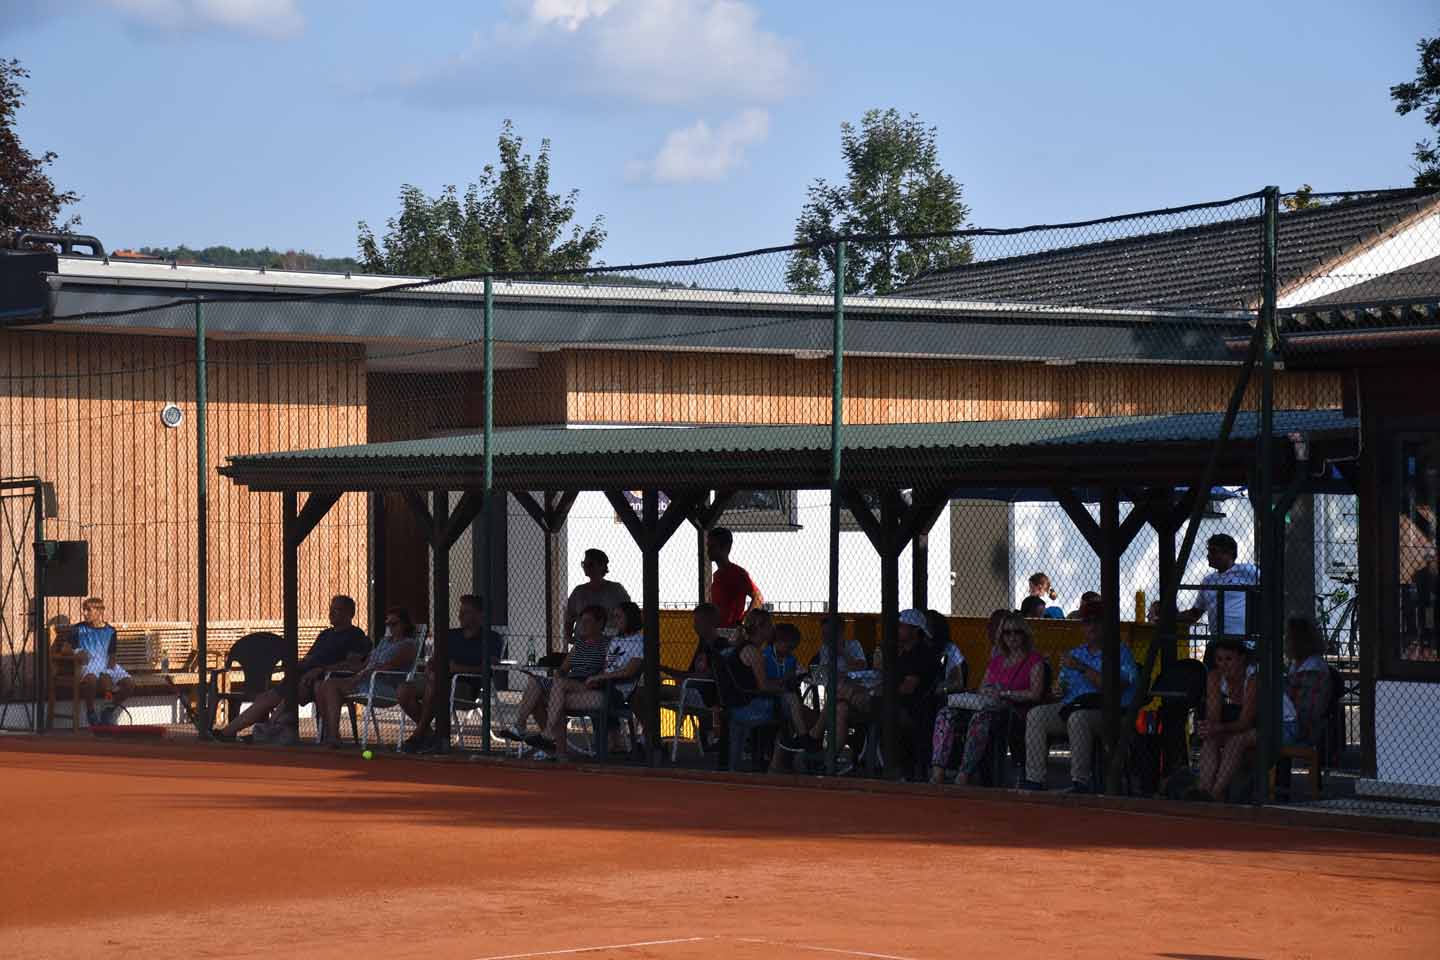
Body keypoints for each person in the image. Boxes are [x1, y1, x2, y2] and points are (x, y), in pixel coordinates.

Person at [213, 594, 370, 743]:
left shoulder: (355, 635)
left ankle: (267, 729)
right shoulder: (325, 634)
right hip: (302, 676)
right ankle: (227, 733)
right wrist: (298, 665)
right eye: (331, 608)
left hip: (323, 680)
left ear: (350, 614)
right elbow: (309, 658)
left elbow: (352, 665)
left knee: (291, 693)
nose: (332, 613)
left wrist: (322, 669)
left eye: (337, 609)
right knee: (265, 698)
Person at [1021, 601, 1137, 792]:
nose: (1092, 627)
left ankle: (1080, 782)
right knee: (1036, 715)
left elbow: (1113, 686)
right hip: (1072, 707)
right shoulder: (1076, 653)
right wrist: (1057, 690)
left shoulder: (1119, 652)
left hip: (1108, 713)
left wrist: (1082, 667)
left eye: (1097, 621)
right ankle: (1034, 779)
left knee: (1078, 718)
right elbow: (1061, 686)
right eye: (1087, 622)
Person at [396, 594, 502, 754]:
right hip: (437, 680)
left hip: (466, 687)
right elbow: (433, 660)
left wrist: (458, 668)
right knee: (403, 690)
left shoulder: (492, 638)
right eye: (460, 611)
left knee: (434, 686)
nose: (460, 615)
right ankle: (429, 735)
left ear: (480, 615)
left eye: (466, 612)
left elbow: (490, 668)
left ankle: (417, 736)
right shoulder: (451, 635)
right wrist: (430, 669)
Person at [497, 604, 608, 751]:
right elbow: (563, 669)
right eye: (581, 621)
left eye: (588, 621)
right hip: (569, 683)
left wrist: (596, 679)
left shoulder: (607, 644)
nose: (583, 625)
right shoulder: (580, 644)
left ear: (599, 623)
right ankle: (520, 725)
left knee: (555, 690)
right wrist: (558, 674)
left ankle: (549, 735)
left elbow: (608, 669)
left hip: (588, 685)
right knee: (535, 681)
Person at [544, 601, 646, 761]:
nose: (615, 621)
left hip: (617, 692)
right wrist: (600, 677)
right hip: (601, 686)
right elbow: (607, 667)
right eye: (614, 617)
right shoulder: (616, 640)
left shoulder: (639, 641)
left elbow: (629, 671)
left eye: (619, 617)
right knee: (557, 697)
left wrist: (601, 677)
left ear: (630, 618)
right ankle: (558, 748)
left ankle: (550, 737)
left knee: (557, 696)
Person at [315, 607, 419, 748]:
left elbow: (389, 666)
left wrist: (362, 674)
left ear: (405, 624)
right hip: (367, 681)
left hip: (386, 686)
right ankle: (331, 734)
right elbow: (365, 664)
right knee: (322, 685)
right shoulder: (384, 642)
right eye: (388, 624)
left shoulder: (408, 645)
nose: (390, 628)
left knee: (331, 686)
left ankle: (332, 736)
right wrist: (335, 667)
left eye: (394, 624)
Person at [633, 602, 725, 753]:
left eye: (698, 621)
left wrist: (681, 679)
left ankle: (651, 738)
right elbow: (688, 674)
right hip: (689, 690)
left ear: (711, 622)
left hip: (703, 696)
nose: (695, 626)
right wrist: (664, 669)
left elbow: (708, 676)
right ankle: (649, 736)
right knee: (641, 693)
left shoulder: (720, 645)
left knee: (643, 693)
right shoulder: (702, 645)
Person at [928, 608, 1007, 783]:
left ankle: (964, 772)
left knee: (980, 719)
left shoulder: (1023, 657)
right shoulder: (995, 653)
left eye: (999, 628)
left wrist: (999, 693)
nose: (992, 631)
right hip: (985, 700)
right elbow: (985, 684)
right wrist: (978, 692)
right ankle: (938, 770)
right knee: (945, 713)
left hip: (1003, 705)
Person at [1187, 636, 1256, 802]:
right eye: (1219, 659)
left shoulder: (1253, 678)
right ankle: (1203, 790)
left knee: (1235, 741)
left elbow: (1246, 722)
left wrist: (1218, 728)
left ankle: (1216, 793)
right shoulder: (1215, 677)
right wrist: (1209, 727)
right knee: (1211, 739)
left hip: (1275, 726)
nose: (1224, 664)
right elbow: (1213, 716)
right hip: (1240, 727)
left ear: (1242, 658)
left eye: (1229, 659)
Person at [58, 597, 134, 726]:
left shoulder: (111, 631)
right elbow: (65, 648)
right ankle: (91, 712)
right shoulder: (78, 629)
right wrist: (77, 652)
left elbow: (112, 655)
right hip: (88, 665)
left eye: (88, 610)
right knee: (91, 680)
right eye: (84, 610)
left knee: (129, 684)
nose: (84, 613)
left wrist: (108, 672)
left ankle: (108, 709)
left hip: (106, 664)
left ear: (100, 611)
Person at [1179, 534, 1259, 645]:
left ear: (1229, 552)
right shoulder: (1208, 581)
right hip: (1217, 639)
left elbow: (1268, 585)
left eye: (1213, 551)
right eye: (1209, 551)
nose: (1208, 556)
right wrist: (1169, 616)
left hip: (1242, 640)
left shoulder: (1246, 570)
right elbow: (1195, 613)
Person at [1284, 617, 1334, 748]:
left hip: (1302, 731)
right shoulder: (1296, 666)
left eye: (1288, 637)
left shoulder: (1315, 671)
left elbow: (1309, 712)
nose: (1285, 641)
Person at [563, 549, 631, 643]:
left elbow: (628, 614)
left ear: (602, 566)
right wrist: (569, 638)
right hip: (583, 643)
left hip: (609, 642)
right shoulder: (578, 591)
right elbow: (569, 618)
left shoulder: (616, 590)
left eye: (590, 564)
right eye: (584, 564)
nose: (586, 567)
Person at [708, 526, 763, 627]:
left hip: (731, 631)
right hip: (720, 629)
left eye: (712, 546)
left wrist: (743, 622)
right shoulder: (717, 575)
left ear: (725, 547)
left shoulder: (737, 573)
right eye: (708, 545)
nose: (708, 549)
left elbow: (758, 597)